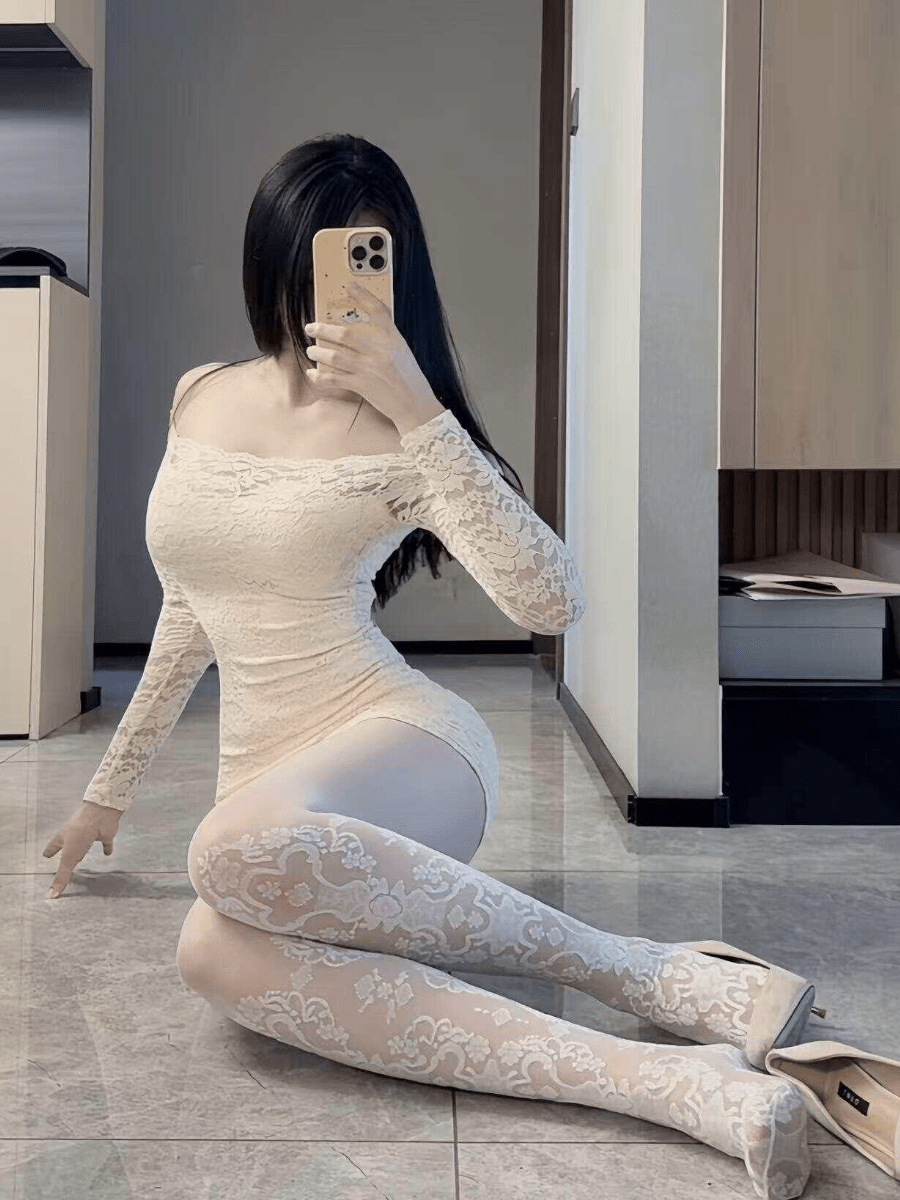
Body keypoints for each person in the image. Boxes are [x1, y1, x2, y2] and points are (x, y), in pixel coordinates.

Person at [42, 134, 814, 1200]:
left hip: (403, 745)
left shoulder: (408, 433)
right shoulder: (200, 396)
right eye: (308, 259)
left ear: (393, 268)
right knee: (208, 952)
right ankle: (679, 1086)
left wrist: (418, 409)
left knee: (224, 855)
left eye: (362, 259)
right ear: (269, 259)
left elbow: (554, 603)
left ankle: (649, 972)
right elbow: (191, 607)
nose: (326, 291)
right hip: (268, 798)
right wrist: (107, 792)